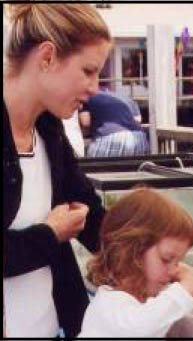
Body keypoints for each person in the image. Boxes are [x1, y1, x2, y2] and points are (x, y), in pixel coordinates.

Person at [3, 3, 111, 338]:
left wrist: (159, 255)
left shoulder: (48, 129)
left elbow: (91, 216)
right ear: (47, 57)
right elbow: (58, 231)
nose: (95, 88)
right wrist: (50, 235)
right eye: (88, 71)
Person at [79, 188, 193, 337]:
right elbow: (144, 326)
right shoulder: (109, 305)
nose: (172, 271)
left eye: (177, 262)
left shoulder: (145, 300)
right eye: (166, 259)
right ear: (131, 252)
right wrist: (186, 288)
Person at [80, 90, 150, 157]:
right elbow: (138, 120)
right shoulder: (125, 98)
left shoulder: (87, 97)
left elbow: (85, 123)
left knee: (91, 167)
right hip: (139, 139)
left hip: (111, 138)